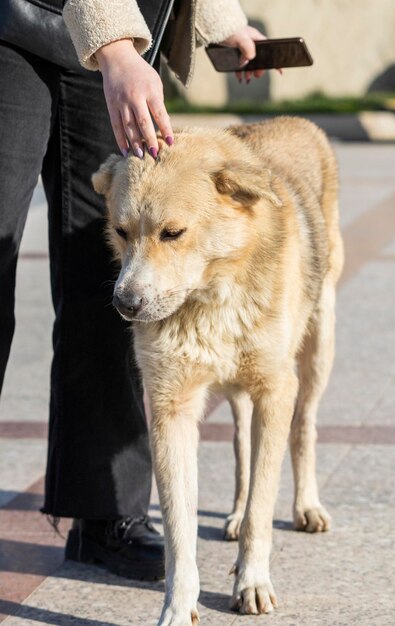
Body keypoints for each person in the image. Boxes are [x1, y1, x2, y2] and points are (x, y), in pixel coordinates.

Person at [0, 0, 267, 580]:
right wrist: (118, 48)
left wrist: (220, 23)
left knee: (119, 279)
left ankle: (106, 513)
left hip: (103, 46)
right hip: (16, 29)